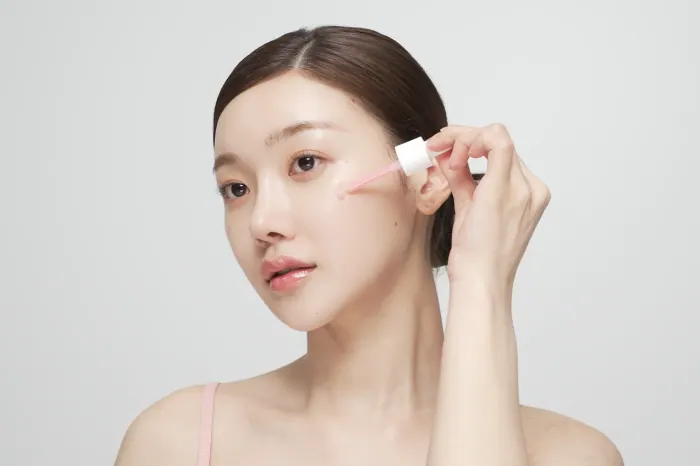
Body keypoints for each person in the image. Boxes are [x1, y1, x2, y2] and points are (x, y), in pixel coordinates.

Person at [115, 25, 623, 466]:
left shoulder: (570, 455)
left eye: (306, 162)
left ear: (426, 177)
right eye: (236, 188)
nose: (262, 222)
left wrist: (482, 283)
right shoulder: (177, 443)